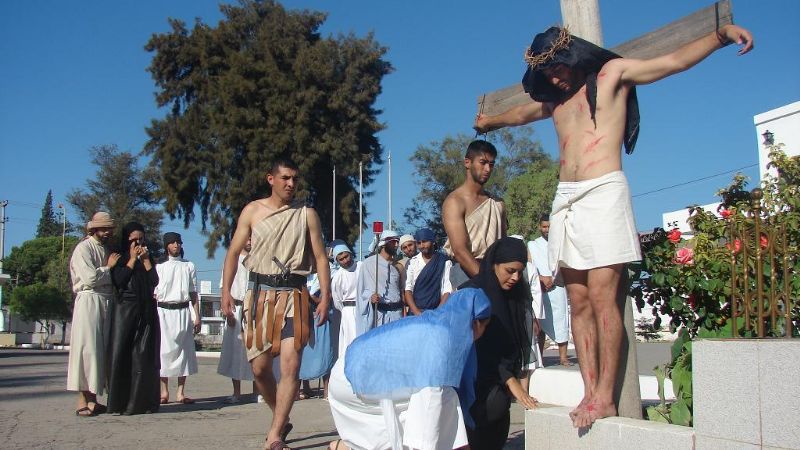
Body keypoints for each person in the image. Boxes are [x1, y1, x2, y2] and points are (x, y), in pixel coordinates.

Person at [474, 24, 753, 427]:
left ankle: (604, 395)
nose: (554, 77)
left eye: (557, 67)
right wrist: (491, 122)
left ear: (571, 57)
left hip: (604, 190)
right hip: (565, 199)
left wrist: (720, 35)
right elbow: (520, 113)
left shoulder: (611, 75)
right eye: (547, 73)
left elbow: (671, 62)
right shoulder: (555, 101)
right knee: (578, 301)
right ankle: (589, 391)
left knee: (605, 299)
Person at [220, 158, 331, 450]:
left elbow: (320, 257)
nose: (291, 184)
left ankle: (275, 435)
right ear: (270, 178)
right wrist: (225, 293)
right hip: (259, 294)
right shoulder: (253, 211)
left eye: (295, 179)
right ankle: (280, 417)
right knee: (259, 369)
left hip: (294, 294)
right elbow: (233, 253)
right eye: (285, 178)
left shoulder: (306, 214)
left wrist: (326, 296)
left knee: (291, 367)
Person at [327, 286, 492, 450]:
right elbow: (431, 397)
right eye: (485, 327)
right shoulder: (444, 341)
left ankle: (341, 447)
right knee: (440, 404)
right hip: (352, 380)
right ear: (476, 322)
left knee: (413, 417)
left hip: (350, 372)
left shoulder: (435, 323)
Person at [461, 237, 538, 449]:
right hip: (471, 383)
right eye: (510, 270)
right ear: (494, 264)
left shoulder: (513, 297)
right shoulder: (473, 293)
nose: (515, 277)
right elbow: (475, 346)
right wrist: (510, 380)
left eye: (520, 272)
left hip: (498, 384)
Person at [67, 211, 119, 417]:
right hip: (89, 300)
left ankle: (93, 400)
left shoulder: (105, 249)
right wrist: (108, 268)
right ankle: (82, 399)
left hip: (105, 299)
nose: (107, 232)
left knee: (99, 351)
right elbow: (88, 278)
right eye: (103, 228)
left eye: (109, 229)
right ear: (93, 229)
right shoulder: (83, 248)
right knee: (86, 349)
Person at [107, 221, 161, 415]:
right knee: (122, 355)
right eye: (133, 240)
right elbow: (119, 280)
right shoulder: (118, 257)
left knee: (143, 357)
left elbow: (154, 281)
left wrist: (146, 261)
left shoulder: (147, 256)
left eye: (141, 239)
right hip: (125, 310)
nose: (138, 243)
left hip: (146, 309)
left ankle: (143, 402)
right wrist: (131, 259)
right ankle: (120, 402)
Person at [442, 140, 507, 289]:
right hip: (467, 273)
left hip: (496, 272)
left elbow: (503, 245)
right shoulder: (455, 201)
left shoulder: (497, 203)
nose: (487, 169)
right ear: (467, 163)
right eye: (483, 162)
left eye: (491, 164)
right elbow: (460, 251)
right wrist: (488, 282)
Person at [155, 232, 200, 404]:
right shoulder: (159, 266)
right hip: (163, 312)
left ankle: (181, 392)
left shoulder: (188, 265)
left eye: (178, 243)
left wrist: (197, 315)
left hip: (183, 311)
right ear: (167, 245)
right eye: (172, 243)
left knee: (184, 352)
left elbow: (193, 292)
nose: (176, 245)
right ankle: (164, 391)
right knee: (163, 352)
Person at [528, 214, 571, 366]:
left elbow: (565, 263)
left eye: (549, 227)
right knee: (540, 323)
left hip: (557, 285)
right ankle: (540, 358)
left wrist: (553, 279)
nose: (546, 230)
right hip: (540, 289)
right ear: (540, 227)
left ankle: (563, 357)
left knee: (561, 321)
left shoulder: (561, 244)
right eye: (544, 226)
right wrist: (540, 279)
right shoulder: (532, 245)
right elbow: (530, 265)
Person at [217, 237, 256, 404]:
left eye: (251, 238)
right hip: (235, 308)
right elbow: (223, 286)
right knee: (235, 350)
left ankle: (258, 392)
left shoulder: (258, 258)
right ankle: (237, 392)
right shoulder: (231, 259)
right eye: (246, 237)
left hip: (254, 308)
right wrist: (228, 312)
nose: (249, 241)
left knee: (256, 350)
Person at [356, 230, 404, 336]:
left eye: (398, 242)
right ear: (383, 244)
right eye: (393, 242)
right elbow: (362, 290)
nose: (396, 245)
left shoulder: (398, 266)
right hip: (380, 314)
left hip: (397, 314)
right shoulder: (369, 264)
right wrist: (371, 297)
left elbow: (402, 291)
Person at [403, 228, 450, 315]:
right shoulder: (412, 262)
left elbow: (447, 289)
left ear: (433, 241)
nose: (422, 245)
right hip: (415, 313)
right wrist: (416, 312)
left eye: (424, 242)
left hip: (436, 311)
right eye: (419, 243)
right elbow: (408, 289)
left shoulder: (444, 261)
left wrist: (437, 312)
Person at [330, 244, 360, 359]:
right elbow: (337, 300)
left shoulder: (361, 267)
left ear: (350, 254)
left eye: (346, 257)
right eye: (341, 259)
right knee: (350, 339)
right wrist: (347, 311)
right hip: (348, 311)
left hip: (364, 308)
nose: (345, 261)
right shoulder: (338, 276)